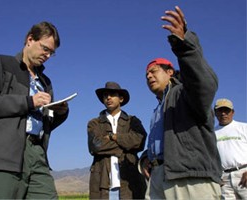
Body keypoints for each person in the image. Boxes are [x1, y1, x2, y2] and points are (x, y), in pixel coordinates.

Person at [0, 21, 69, 199]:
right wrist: (28, 102)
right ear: (30, 40)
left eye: (52, 53)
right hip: (0, 154)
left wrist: (60, 112)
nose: (48, 56)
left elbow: (45, 123)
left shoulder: (45, 82)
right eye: (45, 49)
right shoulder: (1, 64)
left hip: (37, 153)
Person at [138, 6, 222, 199]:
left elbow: (205, 83)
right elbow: (165, 140)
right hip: (160, 178)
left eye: (154, 71)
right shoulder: (159, 107)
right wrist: (147, 158)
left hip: (190, 178)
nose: (149, 76)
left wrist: (185, 45)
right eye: (146, 74)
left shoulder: (184, 93)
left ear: (170, 72)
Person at [87, 81, 147, 199]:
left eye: (112, 94)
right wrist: (125, 146)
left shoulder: (133, 121)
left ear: (121, 99)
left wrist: (113, 137)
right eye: (105, 95)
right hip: (103, 181)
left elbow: (139, 141)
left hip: (130, 181)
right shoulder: (94, 123)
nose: (108, 97)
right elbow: (95, 146)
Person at [214, 98, 247, 199]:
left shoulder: (243, 128)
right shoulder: (211, 133)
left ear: (233, 112)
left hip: (243, 174)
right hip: (224, 179)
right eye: (220, 111)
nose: (223, 114)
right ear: (215, 113)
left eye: (226, 110)